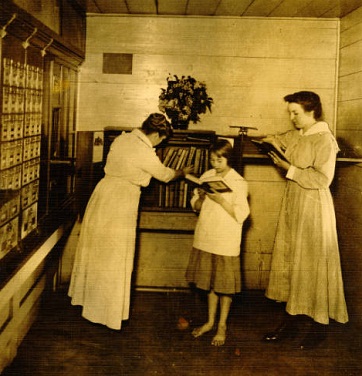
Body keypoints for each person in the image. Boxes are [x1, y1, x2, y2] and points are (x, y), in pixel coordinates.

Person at [68, 113, 192, 330]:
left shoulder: (123, 139)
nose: (159, 144)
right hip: (121, 201)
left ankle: (91, 306)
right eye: (160, 140)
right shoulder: (144, 151)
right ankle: (107, 313)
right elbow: (165, 175)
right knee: (115, 257)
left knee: (98, 252)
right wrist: (183, 171)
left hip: (103, 194)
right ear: (155, 133)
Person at [262, 91, 348, 349]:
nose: (291, 118)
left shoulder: (324, 139)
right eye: (290, 112)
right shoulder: (299, 134)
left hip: (313, 208)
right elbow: (280, 139)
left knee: (312, 264)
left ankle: (318, 326)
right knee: (292, 261)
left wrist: (289, 169)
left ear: (311, 111)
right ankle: (291, 319)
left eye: (295, 113)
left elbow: (323, 179)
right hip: (294, 203)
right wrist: (267, 142)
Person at [186, 139, 250, 346]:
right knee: (211, 284)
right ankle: (210, 321)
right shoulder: (206, 176)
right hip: (207, 236)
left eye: (219, 160)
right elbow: (195, 206)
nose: (215, 163)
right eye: (212, 159)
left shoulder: (239, 182)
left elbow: (242, 214)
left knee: (225, 286)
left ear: (228, 159)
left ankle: (222, 325)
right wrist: (202, 198)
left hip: (226, 238)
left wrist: (221, 200)